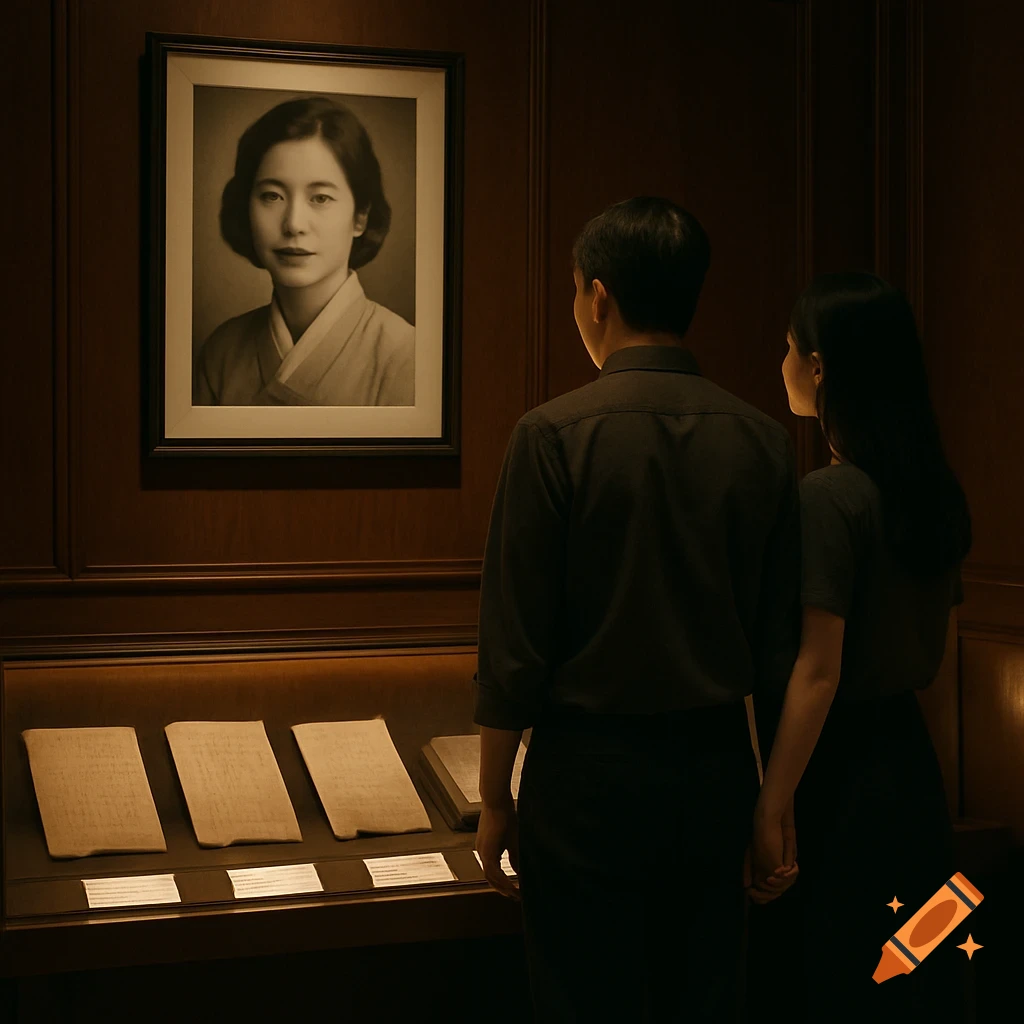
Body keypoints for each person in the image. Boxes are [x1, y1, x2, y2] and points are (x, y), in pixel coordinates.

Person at [473, 196, 802, 1022]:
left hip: (585, 782)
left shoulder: (550, 436)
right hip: (716, 772)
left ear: (597, 296)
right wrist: (773, 805)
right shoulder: (763, 439)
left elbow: (514, 648)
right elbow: (781, 646)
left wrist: (495, 798)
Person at [746, 273, 972, 1021]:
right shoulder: (934, 490)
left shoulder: (829, 498)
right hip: (913, 771)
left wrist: (771, 807)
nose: (778, 362)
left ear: (819, 369)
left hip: (837, 777)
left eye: (787, 348)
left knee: (837, 982)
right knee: (917, 980)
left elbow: (818, 672)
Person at [194, 97, 414, 407]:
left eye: (320, 198)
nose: (294, 224)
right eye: (272, 196)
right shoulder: (221, 353)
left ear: (360, 217)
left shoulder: (407, 356)